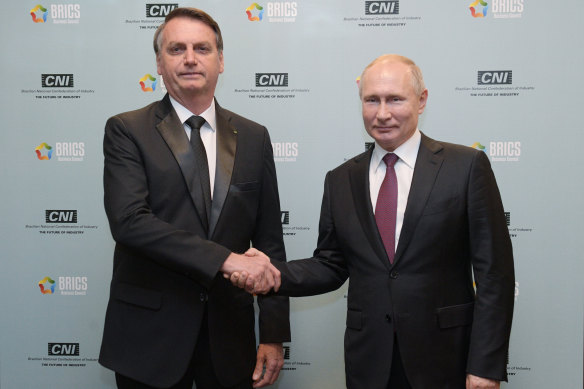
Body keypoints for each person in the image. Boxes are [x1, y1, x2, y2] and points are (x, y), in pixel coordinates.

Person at [233, 54, 515, 389]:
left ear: (422, 100)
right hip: (369, 362)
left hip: (447, 360)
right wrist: (273, 273)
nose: (382, 113)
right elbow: (330, 265)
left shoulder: (466, 167)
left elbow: (495, 275)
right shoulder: (340, 179)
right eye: (372, 100)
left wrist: (485, 366)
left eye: (395, 99)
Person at [99, 7, 289, 389]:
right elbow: (130, 222)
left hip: (230, 341)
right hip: (149, 339)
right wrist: (226, 259)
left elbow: (269, 241)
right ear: (158, 62)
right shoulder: (127, 130)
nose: (189, 58)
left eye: (202, 48)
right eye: (176, 49)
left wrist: (272, 332)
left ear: (221, 60)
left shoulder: (254, 137)